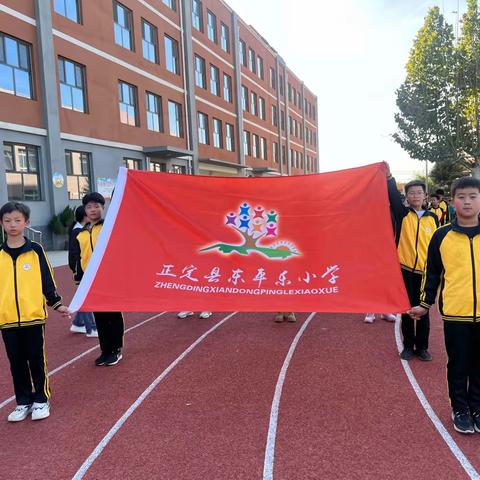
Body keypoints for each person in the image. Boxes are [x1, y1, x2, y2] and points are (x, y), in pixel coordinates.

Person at [409, 177, 480, 434]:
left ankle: (477, 406)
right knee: (459, 363)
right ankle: (460, 408)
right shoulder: (441, 236)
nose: (468, 202)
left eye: (473, 196)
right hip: (455, 314)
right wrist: (424, 303)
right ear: (453, 202)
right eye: (462, 197)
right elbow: (433, 273)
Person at [0, 202, 70, 422]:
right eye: (8, 220)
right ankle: (23, 401)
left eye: (17, 220)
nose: (13, 225)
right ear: (1, 223)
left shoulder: (36, 251)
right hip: (7, 319)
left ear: (26, 223)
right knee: (16, 362)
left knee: (36, 360)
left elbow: (47, 281)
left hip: (33, 317)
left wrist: (57, 303)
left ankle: (41, 399)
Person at [386, 163, 438, 361]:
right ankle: (408, 346)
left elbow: (437, 245)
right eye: (412, 193)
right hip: (405, 269)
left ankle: (422, 347)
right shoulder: (402, 214)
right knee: (407, 310)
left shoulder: (433, 218)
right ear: (406, 197)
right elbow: (392, 196)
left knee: (423, 309)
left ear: (425, 195)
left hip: (426, 272)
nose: (415, 196)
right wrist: (390, 177)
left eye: (419, 192)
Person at [71, 192, 124, 366]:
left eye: (96, 206)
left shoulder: (110, 227)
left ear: (103, 208)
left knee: (113, 315)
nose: (93, 210)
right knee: (99, 317)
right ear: (85, 210)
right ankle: (105, 350)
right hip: (91, 280)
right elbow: (79, 258)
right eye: (89, 207)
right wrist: (80, 280)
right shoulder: (81, 233)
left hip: (110, 279)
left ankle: (116, 350)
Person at [68, 206, 97, 337]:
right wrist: (76, 270)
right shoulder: (78, 231)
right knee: (87, 298)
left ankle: (78, 323)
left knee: (83, 297)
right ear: (85, 216)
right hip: (81, 270)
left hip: (82, 269)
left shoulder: (80, 229)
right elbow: (75, 254)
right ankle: (91, 328)